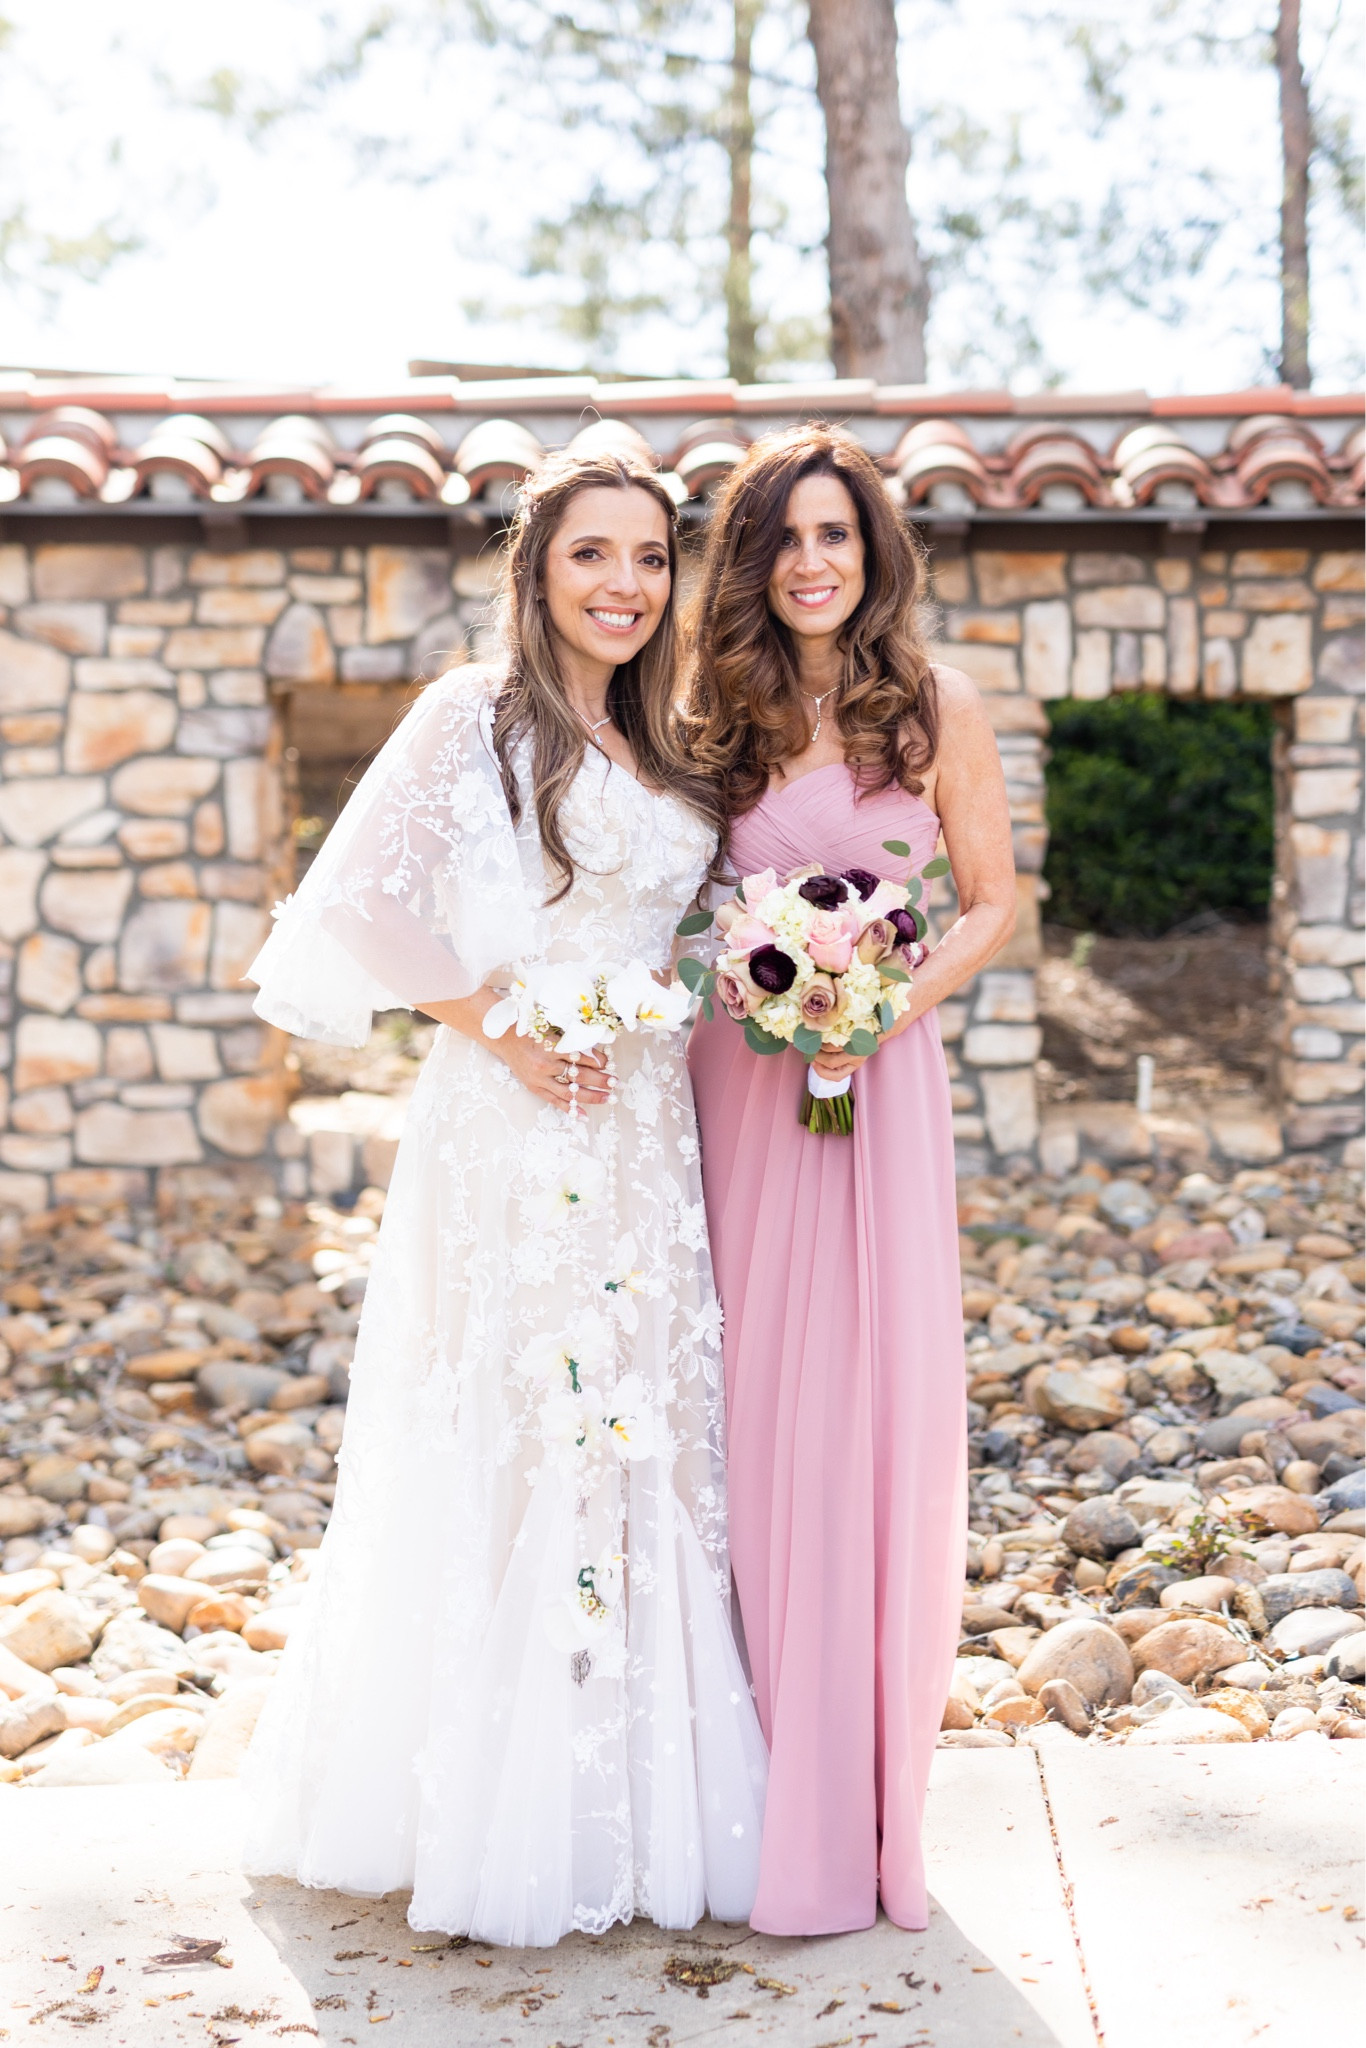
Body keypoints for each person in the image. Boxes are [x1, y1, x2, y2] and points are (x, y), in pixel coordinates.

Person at [241, 448, 767, 1946]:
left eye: (649, 559)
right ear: (535, 572)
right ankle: (493, 1802)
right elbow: (352, 904)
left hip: (647, 1133)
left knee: (643, 1419)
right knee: (524, 1420)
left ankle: (635, 1790)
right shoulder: (470, 715)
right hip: (516, 1120)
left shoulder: (672, 730)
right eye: (590, 556)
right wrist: (496, 1027)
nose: (623, 585)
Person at [684, 424, 1016, 1936]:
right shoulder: (706, 715)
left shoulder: (933, 706)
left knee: (870, 1407)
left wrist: (883, 997)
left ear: (872, 553)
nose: (813, 562)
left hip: (876, 1081)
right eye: (783, 540)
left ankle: (870, 1801)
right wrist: (760, 990)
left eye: (837, 535)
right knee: (747, 1395)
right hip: (742, 1082)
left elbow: (995, 899)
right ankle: (743, 1778)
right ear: (749, 566)